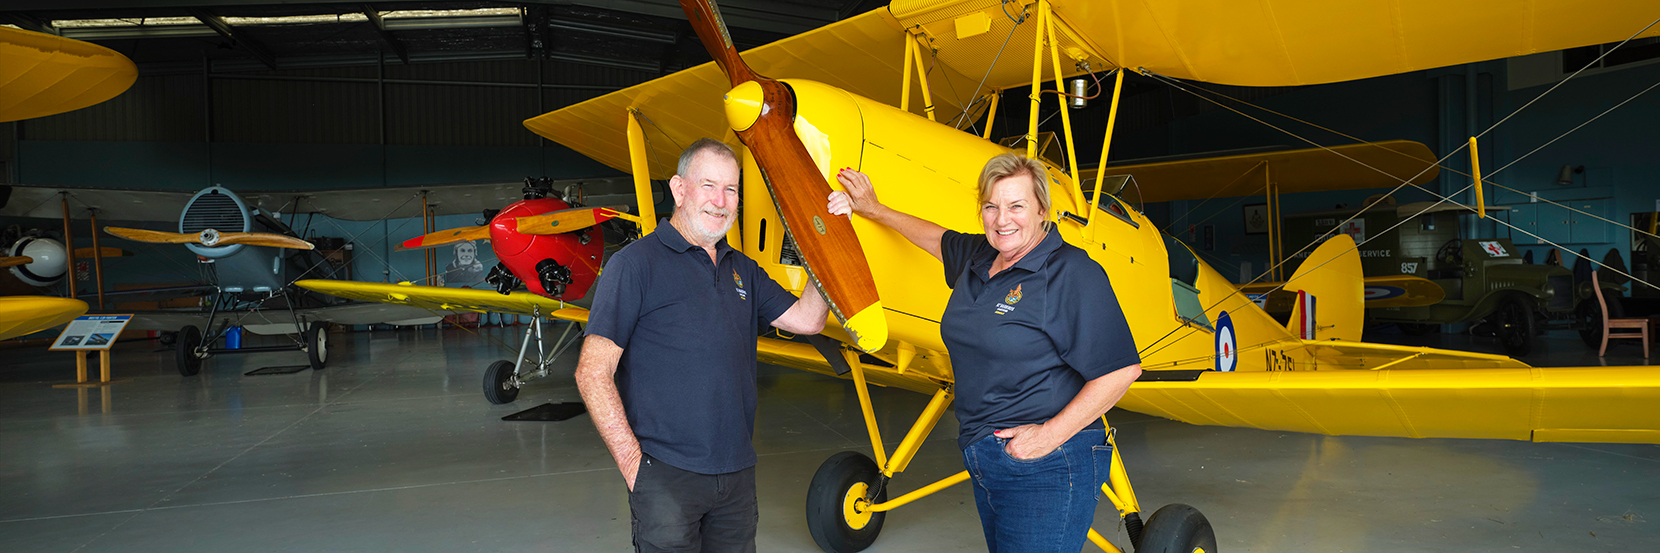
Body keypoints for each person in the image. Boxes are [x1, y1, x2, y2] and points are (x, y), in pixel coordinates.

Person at [828, 153, 1142, 552]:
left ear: (1042, 210)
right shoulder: (981, 256)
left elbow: (1121, 371)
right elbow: (935, 238)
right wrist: (874, 209)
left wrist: (1045, 438)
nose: (1001, 219)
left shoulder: (1070, 272)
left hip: (1047, 462)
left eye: (1016, 206)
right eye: (991, 207)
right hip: (987, 454)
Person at [575, 138, 830, 553]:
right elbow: (592, 371)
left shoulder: (743, 268)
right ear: (679, 189)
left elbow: (808, 319)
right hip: (666, 475)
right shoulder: (635, 264)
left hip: (736, 474)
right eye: (708, 185)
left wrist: (826, 247)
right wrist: (635, 468)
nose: (721, 200)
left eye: (731, 189)